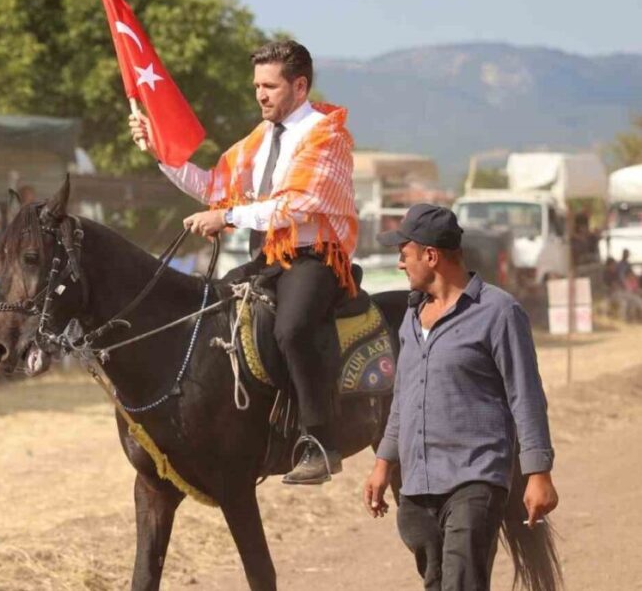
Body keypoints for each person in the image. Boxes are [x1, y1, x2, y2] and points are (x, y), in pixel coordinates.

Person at [130, 38, 358, 484]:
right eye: (257, 85)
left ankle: (320, 441)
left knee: (292, 329)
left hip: (313, 260)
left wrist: (227, 216)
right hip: (267, 258)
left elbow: (296, 206)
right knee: (212, 310)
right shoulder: (258, 139)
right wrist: (158, 150)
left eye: (269, 86)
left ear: (299, 85)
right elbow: (213, 187)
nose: (260, 94)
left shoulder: (327, 135)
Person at [363, 204, 558, 590]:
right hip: (417, 485)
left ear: (430, 256)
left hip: (475, 477)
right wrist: (383, 464)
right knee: (436, 583)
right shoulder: (411, 318)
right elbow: (402, 398)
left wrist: (538, 473)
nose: (400, 265)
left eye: (404, 255)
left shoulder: (499, 312)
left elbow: (527, 396)